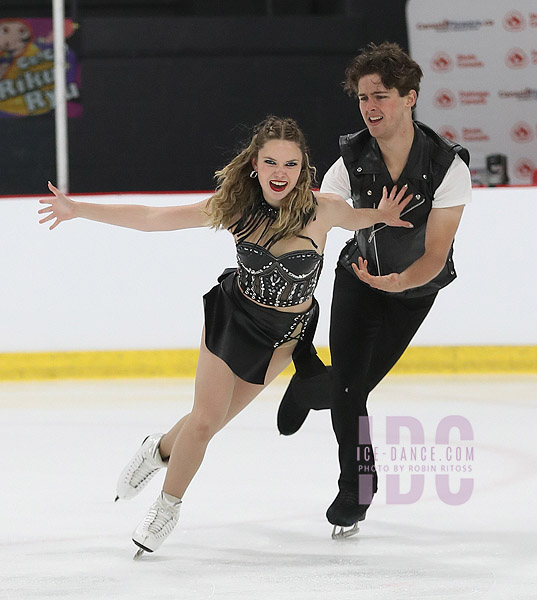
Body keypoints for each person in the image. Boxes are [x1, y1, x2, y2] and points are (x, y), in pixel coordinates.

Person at [38, 115, 413, 557]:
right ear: (255, 163)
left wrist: (383, 215)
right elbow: (153, 218)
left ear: (303, 168)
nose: (280, 173)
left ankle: (157, 450)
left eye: (290, 164)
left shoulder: (322, 210)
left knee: (210, 423)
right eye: (271, 161)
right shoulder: (234, 207)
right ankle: (166, 509)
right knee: (203, 419)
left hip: (284, 336)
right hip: (233, 318)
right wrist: (80, 209)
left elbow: (359, 218)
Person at [276, 43, 472, 538]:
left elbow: (435, 253)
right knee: (349, 391)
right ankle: (357, 489)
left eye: (380, 95)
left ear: (410, 97)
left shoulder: (449, 167)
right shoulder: (349, 160)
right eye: (362, 97)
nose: (369, 107)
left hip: (414, 291)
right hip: (358, 279)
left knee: (353, 385)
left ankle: (306, 383)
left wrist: (400, 282)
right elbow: (322, 213)